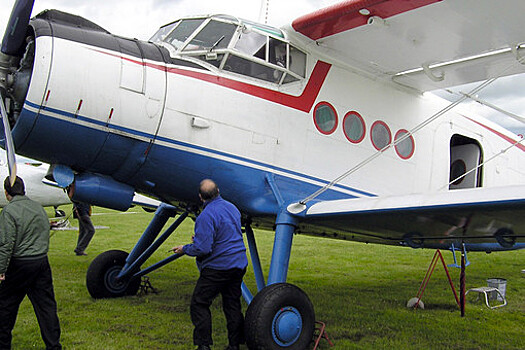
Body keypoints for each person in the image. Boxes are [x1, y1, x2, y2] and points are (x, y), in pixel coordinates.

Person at [173, 179, 248, 350]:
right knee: (232, 305)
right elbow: (225, 234)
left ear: (201, 197)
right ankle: (235, 345)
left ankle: (204, 345)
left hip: (218, 268)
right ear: (218, 191)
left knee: (199, 303)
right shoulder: (232, 208)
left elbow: (203, 248)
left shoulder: (206, 215)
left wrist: (184, 249)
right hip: (238, 264)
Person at [0, 176, 62, 349]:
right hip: (41, 262)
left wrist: (1, 270)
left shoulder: (9, 211)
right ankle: (53, 345)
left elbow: (6, 243)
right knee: (46, 307)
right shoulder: (38, 208)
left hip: (19, 264)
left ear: (7, 192)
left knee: (6, 307)